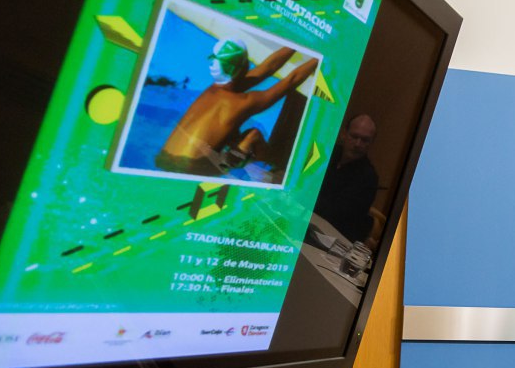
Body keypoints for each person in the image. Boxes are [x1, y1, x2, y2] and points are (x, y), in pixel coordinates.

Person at [156, 39, 318, 176]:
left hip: (164, 160)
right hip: (196, 168)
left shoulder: (213, 90)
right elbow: (291, 80)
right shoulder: (243, 102)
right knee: (252, 135)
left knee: (231, 136)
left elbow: (266, 68)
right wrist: (321, 56)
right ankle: (279, 164)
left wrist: (297, 42)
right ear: (244, 67)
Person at [313, 114, 379, 244]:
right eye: (354, 136)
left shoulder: (369, 178)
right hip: (307, 220)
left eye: (365, 140)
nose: (358, 144)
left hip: (331, 238)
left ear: (371, 143)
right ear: (344, 134)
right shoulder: (326, 154)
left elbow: (336, 214)